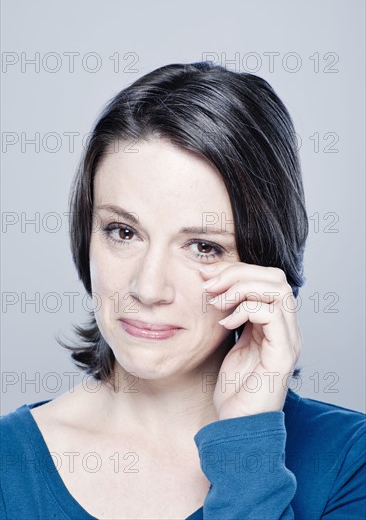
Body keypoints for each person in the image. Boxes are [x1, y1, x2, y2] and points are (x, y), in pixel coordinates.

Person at [1, 62, 365, 520]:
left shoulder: (349, 462)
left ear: (263, 261)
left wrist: (247, 449)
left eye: (203, 246)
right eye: (123, 232)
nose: (148, 288)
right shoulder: (7, 466)